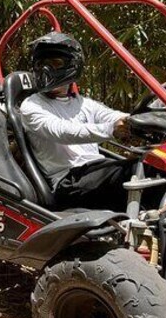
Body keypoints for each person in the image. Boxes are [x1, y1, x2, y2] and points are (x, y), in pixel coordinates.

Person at [20, 32, 135, 211]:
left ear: (72, 65)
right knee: (135, 171)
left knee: (156, 169)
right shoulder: (32, 105)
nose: (46, 70)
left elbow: (112, 115)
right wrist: (111, 130)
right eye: (42, 64)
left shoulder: (82, 102)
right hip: (68, 182)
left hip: (94, 172)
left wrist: (137, 121)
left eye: (55, 63)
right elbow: (63, 132)